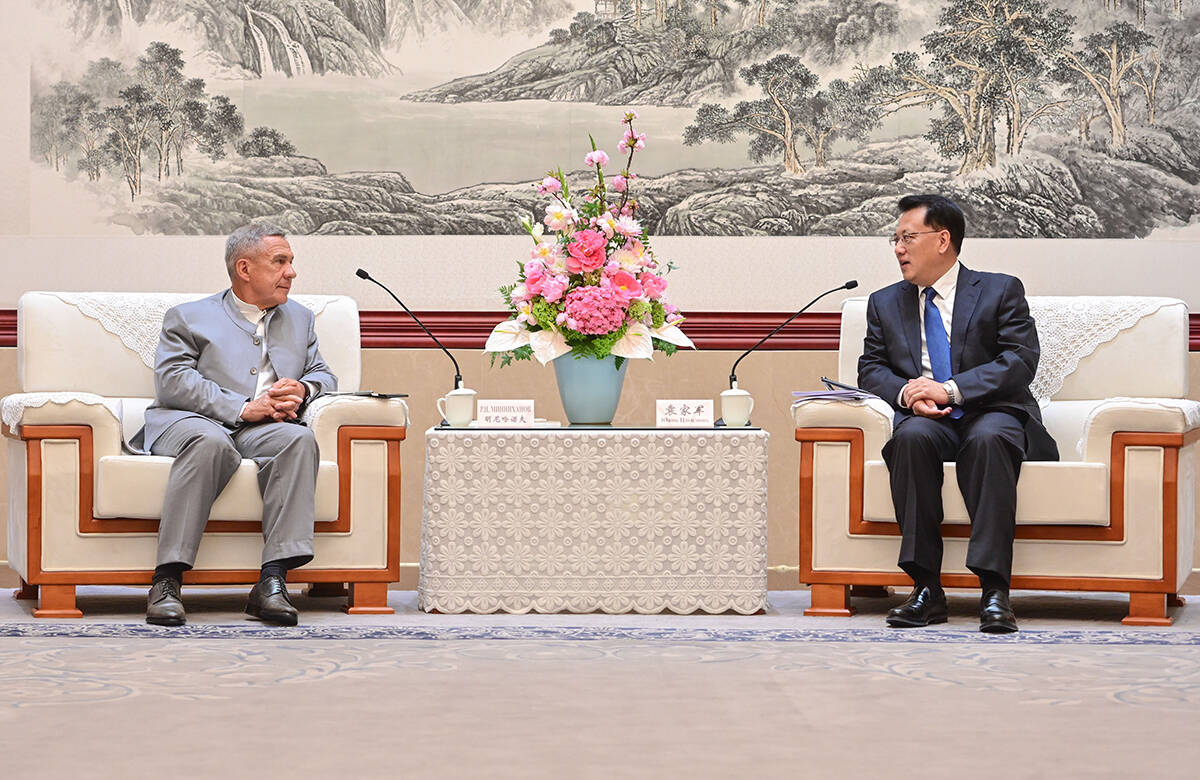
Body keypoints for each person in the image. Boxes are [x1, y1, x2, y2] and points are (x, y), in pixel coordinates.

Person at [858, 194, 1058, 633]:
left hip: (990, 410)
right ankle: (926, 589)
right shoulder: (884, 302)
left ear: (942, 240)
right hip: (928, 419)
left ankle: (994, 590)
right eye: (895, 240)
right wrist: (909, 393)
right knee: (910, 438)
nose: (898, 249)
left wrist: (950, 389)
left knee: (989, 439)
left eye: (907, 237)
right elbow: (870, 367)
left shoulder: (999, 289)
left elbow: (1019, 360)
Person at [135, 223, 336, 626]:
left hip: (262, 430)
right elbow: (173, 380)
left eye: (291, 262)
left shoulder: (300, 318)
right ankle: (166, 579)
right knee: (211, 443)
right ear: (244, 269)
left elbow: (323, 375)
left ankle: (272, 581)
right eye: (280, 261)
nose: (291, 272)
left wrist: (303, 389)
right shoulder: (189, 317)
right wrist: (243, 408)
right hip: (191, 421)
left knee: (298, 440)